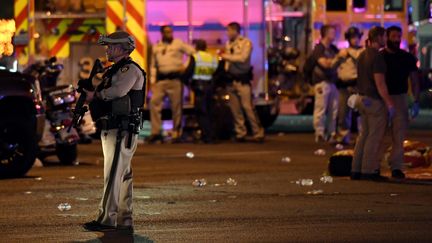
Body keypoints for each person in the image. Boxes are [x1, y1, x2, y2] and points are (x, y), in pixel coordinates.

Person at [82, 31, 146, 233]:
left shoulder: (129, 69)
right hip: (114, 127)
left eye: (111, 46)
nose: (107, 49)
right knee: (123, 175)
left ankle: (106, 219)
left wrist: (96, 95)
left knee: (113, 174)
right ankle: (123, 219)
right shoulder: (116, 69)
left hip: (121, 129)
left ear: (121, 48)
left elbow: (118, 92)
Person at [351, 26, 395, 180]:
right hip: (374, 100)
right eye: (384, 36)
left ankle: (356, 169)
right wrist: (389, 103)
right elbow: (380, 84)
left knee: (363, 135)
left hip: (362, 99)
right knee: (374, 137)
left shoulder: (362, 54)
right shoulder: (377, 57)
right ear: (379, 38)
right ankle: (368, 171)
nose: (386, 39)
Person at [380, 26, 420, 179]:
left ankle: (396, 166)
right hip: (383, 97)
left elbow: (414, 80)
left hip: (400, 98)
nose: (396, 40)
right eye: (393, 36)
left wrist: (415, 100)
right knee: (380, 133)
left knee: (399, 134)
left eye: (398, 36)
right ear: (386, 38)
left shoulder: (407, 57)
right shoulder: (381, 57)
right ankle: (375, 165)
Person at [148, 25, 196, 144]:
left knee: (176, 107)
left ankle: (176, 132)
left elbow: (193, 52)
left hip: (175, 79)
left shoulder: (178, 43)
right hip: (161, 80)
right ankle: (156, 133)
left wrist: (185, 67)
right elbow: (153, 65)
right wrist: (153, 80)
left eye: (170, 32)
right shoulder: (157, 46)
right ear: (162, 33)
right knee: (154, 103)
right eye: (167, 32)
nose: (169, 34)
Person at [220, 22, 264, 143]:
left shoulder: (245, 43)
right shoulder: (228, 44)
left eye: (229, 31)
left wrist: (225, 56)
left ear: (235, 30)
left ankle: (257, 132)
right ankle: (240, 132)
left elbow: (242, 58)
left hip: (242, 79)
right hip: (231, 79)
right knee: (235, 108)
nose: (227, 33)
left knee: (247, 107)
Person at [333, 27, 364, 144]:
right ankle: (343, 135)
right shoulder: (342, 52)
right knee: (343, 112)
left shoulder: (362, 51)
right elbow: (332, 65)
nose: (354, 40)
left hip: (357, 85)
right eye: (352, 38)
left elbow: (359, 59)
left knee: (361, 113)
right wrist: (339, 56)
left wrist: (348, 52)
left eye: (356, 37)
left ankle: (362, 136)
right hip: (344, 86)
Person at [310, 25, 340, 143]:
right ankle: (319, 133)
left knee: (334, 109)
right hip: (321, 82)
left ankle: (331, 133)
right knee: (321, 108)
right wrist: (337, 60)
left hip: (332, 82)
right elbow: (325, 64)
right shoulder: (319, 49)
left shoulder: (333, 49)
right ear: (326, 34)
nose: (335, 35)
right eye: (332, 32)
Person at [191, 39, 218, 143]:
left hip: (199, 87)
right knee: (210, 111)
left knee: (201, 112)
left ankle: (206, 136)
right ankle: (212, 135)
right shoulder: (211, 57)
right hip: (210, 87)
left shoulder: (195, 57)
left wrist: (188, 83)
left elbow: (189, 70)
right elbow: (216, 71)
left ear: (196, 47)